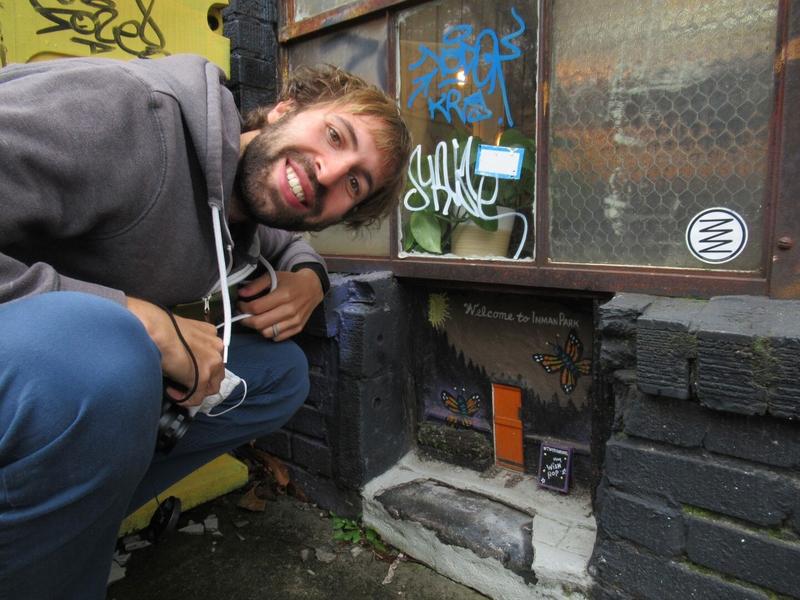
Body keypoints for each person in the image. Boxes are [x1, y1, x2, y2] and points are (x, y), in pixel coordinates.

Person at [0, 54, 411, 599]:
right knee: (112, 357)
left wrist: (311, 279)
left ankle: (64, 526)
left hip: (54, 388)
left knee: (279, 375)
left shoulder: (240, 199)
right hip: (48, 372)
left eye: (353, 185)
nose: (328, 173)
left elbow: (285, 241)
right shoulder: (129, 113)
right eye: (335, 135)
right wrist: (137, 316)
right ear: (284, 109)